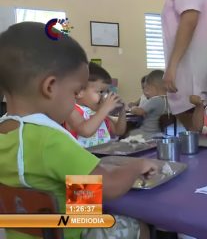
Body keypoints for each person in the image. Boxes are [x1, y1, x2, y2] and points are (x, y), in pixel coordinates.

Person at [0, 22, 158, 239]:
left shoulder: (5, 132)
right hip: (69, 232)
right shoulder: (50, 141)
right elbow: (108, 188)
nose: (77, 99)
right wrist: (136, 166)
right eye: (75, 92)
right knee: (138, 226)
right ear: (50, 87)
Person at [162, 0, 207, 130]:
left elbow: (189, 20)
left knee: (200, 136)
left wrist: (172, 67)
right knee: (201, 136)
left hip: (192, 77)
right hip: (192, 74)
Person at [64, 62, 127, 148]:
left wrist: (122, 112)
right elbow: (86, 131)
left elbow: (118, 131)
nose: (103, 96)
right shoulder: (72, 110)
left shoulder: (99, 111)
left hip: (101, 156)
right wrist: (104, 110)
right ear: (79, 92)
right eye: (100, 92)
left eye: (105, 92)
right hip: (82, 158)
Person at [129, 70, 169, 139]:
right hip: (158, 132)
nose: (146, 92)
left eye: (148, 89)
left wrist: (133, 108)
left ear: (154, 88)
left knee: (128, 133)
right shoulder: (167, 100)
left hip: (147, 133)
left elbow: (140, 111)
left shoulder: (155, 100)